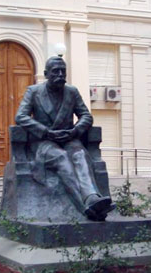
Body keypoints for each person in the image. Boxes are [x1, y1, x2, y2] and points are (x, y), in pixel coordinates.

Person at [15, 56, 115, 221]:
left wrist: (75, 131)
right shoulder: (33, 92)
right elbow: (21, 117)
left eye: (63, 71)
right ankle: (84, 206)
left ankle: (92, 197)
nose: (60, 74)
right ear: (46, 74)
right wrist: (45, 132)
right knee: (62, 158)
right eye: (56, 71)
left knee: (80, 155)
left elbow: (86, 116)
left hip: (69, 139)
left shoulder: (72, 91)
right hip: (44, 142)